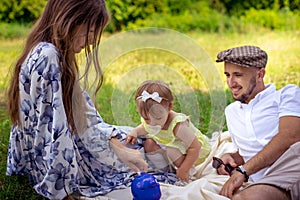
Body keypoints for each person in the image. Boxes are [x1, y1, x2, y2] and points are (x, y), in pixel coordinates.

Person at [6, 0, 148, 199]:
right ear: (70, 20)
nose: (91, 41)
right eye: (91, 32)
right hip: (49, 163)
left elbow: (86, 115)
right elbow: (52, 132)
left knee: (142, 141)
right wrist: (62, 192)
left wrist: (119, 147)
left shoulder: (53, 53)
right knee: (150, 148)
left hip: (62, 148)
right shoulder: (47, 56)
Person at [215, 45, 300, 199]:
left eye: (238, 75)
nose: (231, 82)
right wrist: (234, 158)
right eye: (227, 75)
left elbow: (290, 137)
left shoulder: (286, 95)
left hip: (293, 166)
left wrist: (243, 171)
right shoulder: (231, 111)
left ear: (260, 74)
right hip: (268, 181)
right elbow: (251, 152)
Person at [126, 80, 211, 182]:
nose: (151, 124)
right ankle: (166, 171)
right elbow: (144, 127)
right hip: (170, 145)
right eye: (146, 118)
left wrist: (184, 169)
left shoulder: (178, 126)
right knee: (148, 143)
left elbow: (195, 147)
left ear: (169, 107)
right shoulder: (151, 120)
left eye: (157, 118)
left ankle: (186, 174)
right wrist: (135, 132)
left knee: (172, 150)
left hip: (193, 154)